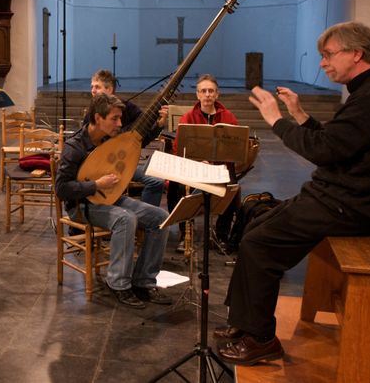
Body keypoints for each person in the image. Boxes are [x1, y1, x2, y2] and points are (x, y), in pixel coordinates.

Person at [215, 22, 370, 366]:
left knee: (259, 245)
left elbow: (323, 150)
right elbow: (341, 144)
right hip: (340, 196)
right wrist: (300, 115)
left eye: (328, 54)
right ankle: (243, 323)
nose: (322, 63)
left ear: (356, 53)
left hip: (351, 206)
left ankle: (261, 339)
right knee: (255, 222)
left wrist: (277, 120)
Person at [57, 93, 172, 308]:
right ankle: (119, 284)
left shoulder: (109, 139)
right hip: (83, 206)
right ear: (98, 118)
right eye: (115, 118)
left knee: (161, 217)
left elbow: (135, 143)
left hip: (111, 199)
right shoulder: (75, 147)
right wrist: (96, 185)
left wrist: (156, 126)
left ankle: (144, 281)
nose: (120, 124)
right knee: (125, 219)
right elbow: (61, 189)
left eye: (120, 118)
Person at [168, 74, 240, 251]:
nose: (207, 94)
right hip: (194, 169)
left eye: (211, 91)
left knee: (232, 187)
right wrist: (199, 161)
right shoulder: (188, 118)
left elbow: (236, 147)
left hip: (220, 168)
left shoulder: (229, 117)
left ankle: (221, 235)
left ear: (217, 94)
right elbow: (179, 148)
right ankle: (186, 234)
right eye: (203, 91)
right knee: (176, 187)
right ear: (197, 95)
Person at [82, 69, 167, 207]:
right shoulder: (92, 114)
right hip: (102, 166)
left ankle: (146, 220)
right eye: (92, 86)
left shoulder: (127, 108)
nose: (93, 90)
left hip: (123, 162)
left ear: (109, 89)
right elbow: (87, 145)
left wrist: (158, 125)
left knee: (157, 181)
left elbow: (141, 140)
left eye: (97, 87)